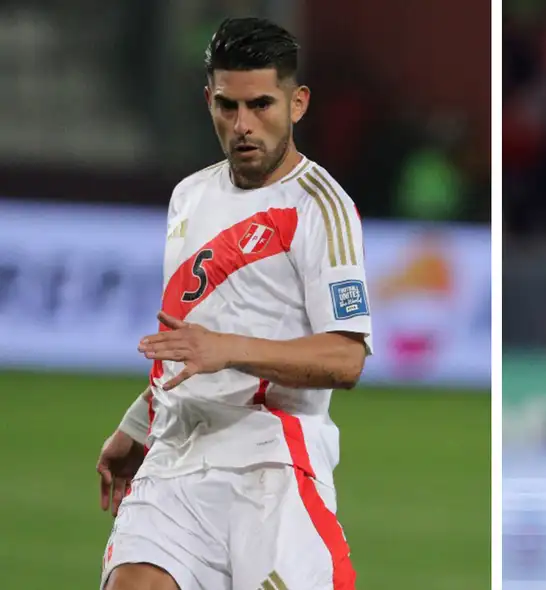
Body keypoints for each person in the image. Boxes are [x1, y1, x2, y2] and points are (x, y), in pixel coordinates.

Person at [95, 17, 369, 590]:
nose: (243, 125)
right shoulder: (189, 197)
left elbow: (346, 359)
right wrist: (139, 424)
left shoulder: (321, 209)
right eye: (227, 106)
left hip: (272, 460)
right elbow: (192, 339)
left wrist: (229, 351)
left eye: (261, 105)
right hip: (175, 456)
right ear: (208, 101)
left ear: (298, 103)